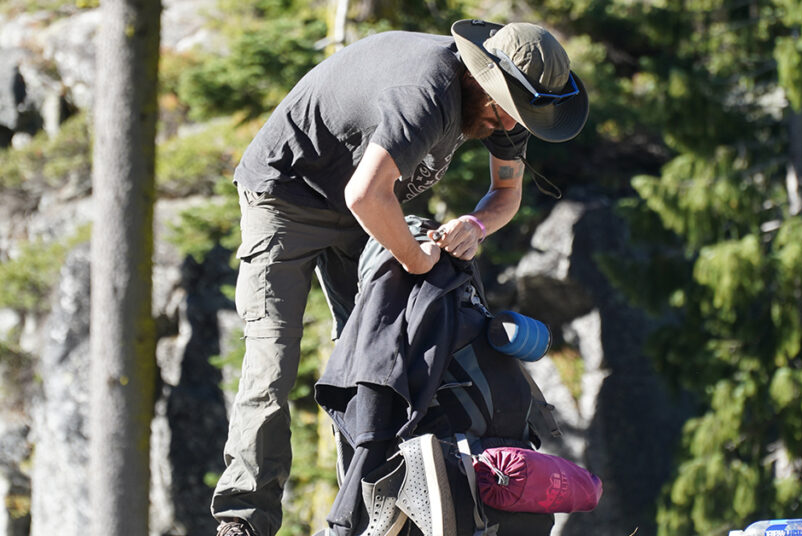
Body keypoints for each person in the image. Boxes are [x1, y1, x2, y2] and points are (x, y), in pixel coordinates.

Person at [211, 18, 589, 536]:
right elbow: (365, 195)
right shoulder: (425, 93)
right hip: (285, 198)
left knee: (377, 353)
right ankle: (244, 518)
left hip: (362, 211)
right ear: (483, 81)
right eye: (507, 112)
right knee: (273, 358)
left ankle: (372, 508)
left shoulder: (511, 112)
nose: (510, 128)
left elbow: (506, 195)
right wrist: (417, 259)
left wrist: (475, 225)